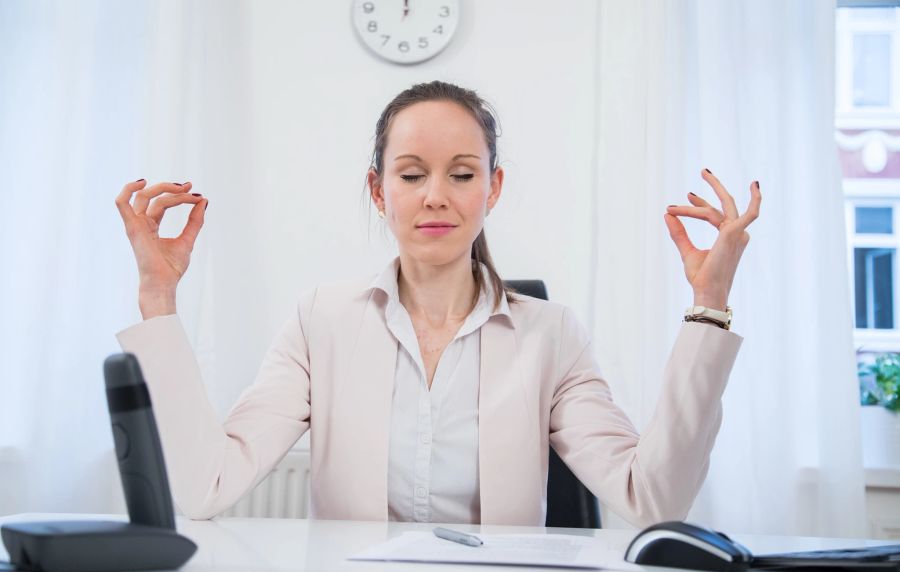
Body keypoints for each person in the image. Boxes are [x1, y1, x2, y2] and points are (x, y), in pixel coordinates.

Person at [114, 80, 760, 527]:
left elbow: (653, 498)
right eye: (411, 173)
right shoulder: (321, 321)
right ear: (378, 189)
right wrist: (158, 298)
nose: (435, 197)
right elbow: (205, 488)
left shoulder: (551, 334)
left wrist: (709, 303)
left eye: (462, 172)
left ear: (493, 187)